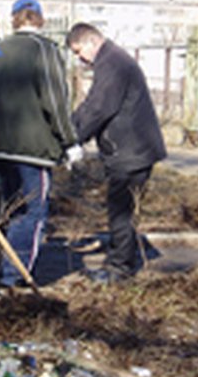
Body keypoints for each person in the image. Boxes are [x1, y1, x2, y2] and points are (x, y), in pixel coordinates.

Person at [0, 0, 82, 288]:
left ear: (14, 19)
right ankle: (14, 277)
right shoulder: (44, 50)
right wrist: (70, 141)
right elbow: (55, 99)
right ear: (40, 19)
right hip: (33, 149)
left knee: (10, 208)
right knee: (32, 211)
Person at [65, 22, 167, 284]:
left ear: (91, 41)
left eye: (79, 52)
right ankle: (122, 259)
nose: (80, 59)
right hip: (133, 147)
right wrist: (70, 127)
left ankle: (119, 270)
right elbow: (92, 104)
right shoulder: (113, 60)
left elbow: (100, 107)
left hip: (132, 150)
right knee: (124, 209)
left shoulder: (112, 63)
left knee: (120, 210)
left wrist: (74, 138)